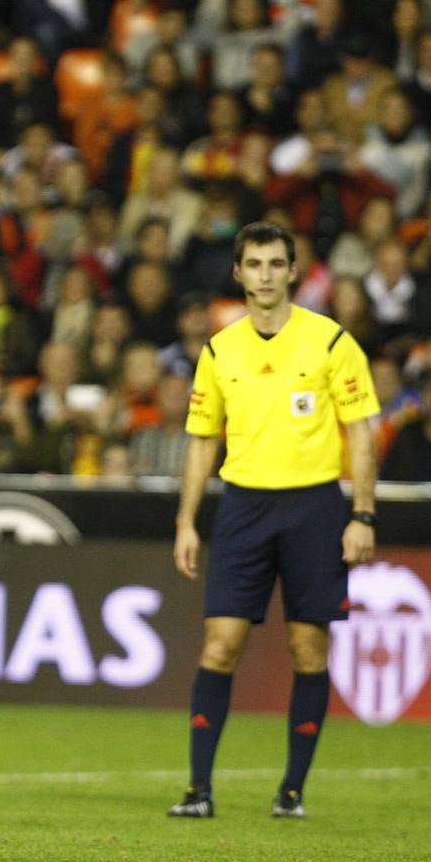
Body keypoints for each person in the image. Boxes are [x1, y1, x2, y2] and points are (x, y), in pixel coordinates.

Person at [169, 222, 380, 820]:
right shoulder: (220, 349)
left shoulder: (332, 343)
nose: (264, 274)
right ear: (238, 274)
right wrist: (187, 521)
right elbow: (202, 441)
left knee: (308, 648)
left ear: (293, 272)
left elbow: (359, 435)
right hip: (243, 508)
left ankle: (292, 792)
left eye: (275, 263)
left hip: (315, 507)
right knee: (221, 643)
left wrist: (361, 513)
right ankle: (198, 790)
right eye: (253, 264)